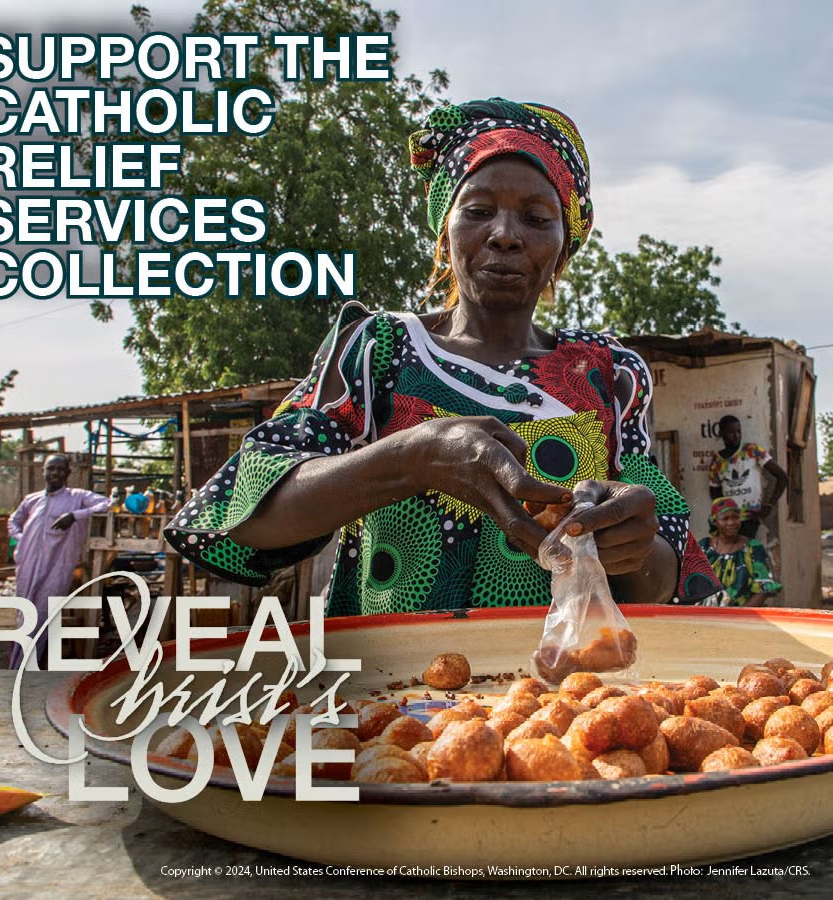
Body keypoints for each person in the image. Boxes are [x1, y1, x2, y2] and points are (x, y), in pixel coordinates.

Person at [165, 97, 720, 613]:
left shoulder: (608, 374)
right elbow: (248, 515)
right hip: (389, 699)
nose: (505, 234)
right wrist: (412, 458)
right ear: (443, 230)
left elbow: (663, 580)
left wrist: (631, 545)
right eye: (478, 210)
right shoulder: (376, 351)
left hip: (559, 702)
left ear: (565, 243)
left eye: (536, 217)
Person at [8, 454, 109, 668]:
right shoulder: (32, 499)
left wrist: (74, 515)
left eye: (60, 469)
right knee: (23, 614)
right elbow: (13, 521)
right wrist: (22, 538)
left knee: (44, 612)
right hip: (28, 565)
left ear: (68, 473)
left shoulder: (77, 496)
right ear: (43, 472)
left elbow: (106, 504)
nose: (54, 473)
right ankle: (16, 667)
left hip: (57, 565)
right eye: (50, 469)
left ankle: (28, 666)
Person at [708, 415, 788, 539]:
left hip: (749, 519)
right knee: (730, 555)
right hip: (728, 522)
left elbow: (782, 477)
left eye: (738, 431)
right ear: (721, 434)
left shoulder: (752, 451)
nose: (736, 436)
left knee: (744, 553)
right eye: (731, 432)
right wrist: (722, 514)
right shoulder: (716, 460)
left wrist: (769, 506)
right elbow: (714, 492)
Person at [699, 497, 782, 607]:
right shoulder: (704, 547)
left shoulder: (753, 548)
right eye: (725, 519)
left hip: (745, 616)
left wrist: (738, 616)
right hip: (707, 616)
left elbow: (763, 589)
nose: (731, 522)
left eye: (735, 517)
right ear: (715, 522)